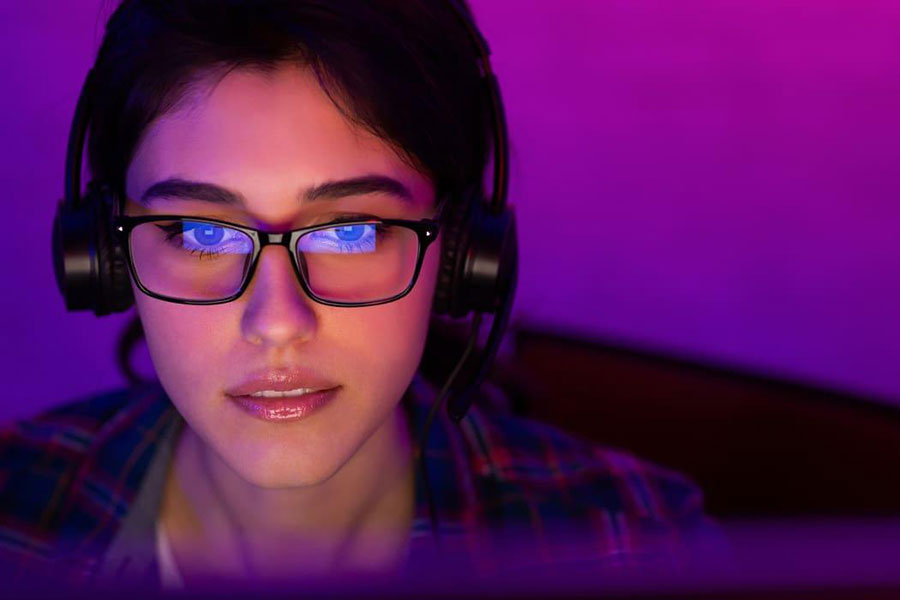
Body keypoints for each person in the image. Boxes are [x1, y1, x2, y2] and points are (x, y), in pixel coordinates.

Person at [0, 0, 715, 591]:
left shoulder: (634, 545)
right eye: (199, 234)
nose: (277, 323)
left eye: (350, 233)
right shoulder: (14, 509)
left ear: (463, 252)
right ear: (105, 253)